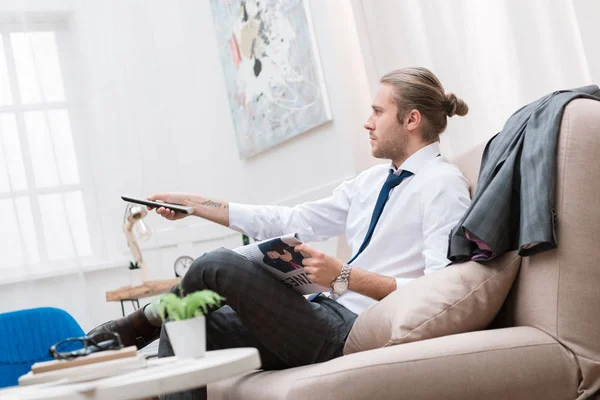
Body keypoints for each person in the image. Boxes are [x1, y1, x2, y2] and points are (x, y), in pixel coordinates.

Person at [89, 67, 471, 399]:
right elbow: (291, 220)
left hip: (350, 330)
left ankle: (141, 324)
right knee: (189, 323)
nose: (367, 122)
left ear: (411, 120)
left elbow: (438, 292)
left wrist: (344, 276)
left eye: (377, 111)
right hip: (318, 313)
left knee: (218, 264)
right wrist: (195, 204)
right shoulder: (373, 181)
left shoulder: (442, 185)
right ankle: (155, 321)